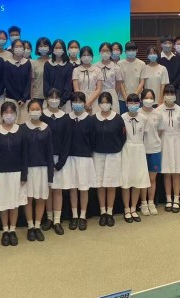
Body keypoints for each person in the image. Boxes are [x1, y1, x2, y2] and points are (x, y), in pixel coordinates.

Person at [0, 101, 26, 246]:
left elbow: (25, 154)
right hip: (0, 173)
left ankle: (13, 230)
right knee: (3, 203)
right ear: (1, 114)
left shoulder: (21, 130)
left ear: (16, 114)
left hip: (17, 173)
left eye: (12, 112)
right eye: (6, 112)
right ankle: (5, 230)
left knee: (14, 203)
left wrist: (24, 174)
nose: (9, 115)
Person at [22, 100, 53, 240]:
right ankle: (30, 226)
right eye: (32, 109)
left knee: (41, 198)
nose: (35, 112)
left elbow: (50, 152)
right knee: (28, 198)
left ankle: (37, 226)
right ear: (28, 111)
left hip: (43, 169)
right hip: (28, 169)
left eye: (37, 109)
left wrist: (50, 175)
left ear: (41, 111)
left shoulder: (47, 128)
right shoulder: (22, 128)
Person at [42, 89, 72, 235]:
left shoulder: (65, 118)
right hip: (44, 159)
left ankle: (57, 220)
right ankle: (49, 218)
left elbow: (67, 141)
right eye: (51, 97)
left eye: (56, 97)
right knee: (48, 190)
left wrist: (61, 161)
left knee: (58, 190)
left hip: (60, 159)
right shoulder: (42, 115)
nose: (54, 99)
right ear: (47, 99)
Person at [92, 91, 123, 227]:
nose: (104, 104)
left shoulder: (118, 118)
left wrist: (116, 147)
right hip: (98, 155)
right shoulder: (94, 119)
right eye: (102, 102)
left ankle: (109, 212)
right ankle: (102, 211)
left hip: (113, 155)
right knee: (100, 184)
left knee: (111, 184)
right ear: (99, 104)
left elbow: (123, 136)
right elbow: (91, 137)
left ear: (111, 103)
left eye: (107, 102)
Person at [65, 92, 96, 230]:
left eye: (80, 101)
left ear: (84, 103)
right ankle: (74, 215)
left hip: (84, 158)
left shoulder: (90, 120)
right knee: (73, 187)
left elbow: (93, 140)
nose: (77, 104)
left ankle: (83, 216)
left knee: (83, 188)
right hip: (70, 158)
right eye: (75, 101)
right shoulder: (67, 118)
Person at [119, 94, 149, 223]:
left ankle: (133, 208)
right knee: (126, 181)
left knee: (137, 181)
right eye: (130, 103)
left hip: (139, 150)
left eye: (135, 102)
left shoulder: (143, 118)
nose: (133, 105)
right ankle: (126, 209)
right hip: (126, 150)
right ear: (126, 104)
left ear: (139, 103)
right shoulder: (122, 118)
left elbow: (145, 136)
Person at [159, 84, 180, 212]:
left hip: (177, 141)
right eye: (167, 93)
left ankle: (176, 199)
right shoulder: (158, 110)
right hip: (164, 140)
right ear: (163, 95)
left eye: (171, 93)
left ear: (175, 95)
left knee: (176, 172)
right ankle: (168, 199)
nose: (169, 96)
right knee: (167, 172)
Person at [138, 89, 162, 216]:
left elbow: (160, 131)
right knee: (143, 178)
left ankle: (151, 202)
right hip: (141, 150)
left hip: (155, 149)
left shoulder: (157, 113)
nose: (149, 100)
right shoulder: (137, 113)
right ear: (141, 99)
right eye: (146, 98)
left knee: (152, 178)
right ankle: (143, 203)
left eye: (151, 98)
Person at [2, 39, 32, 121]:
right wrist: (17, 98)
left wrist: (24, 98)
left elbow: (28, 82)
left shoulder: (27, 63)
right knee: (11, 122)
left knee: (25, 123)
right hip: (11, 99)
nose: (18, 48)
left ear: (23, 49)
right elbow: (7, 82)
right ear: (12, 48)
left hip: (25, 100)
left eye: (20, 46)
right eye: (16, 46)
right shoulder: (7, 63)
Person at [44, 39, 73, 112]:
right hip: (50, 101)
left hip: (64, 102)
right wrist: (50, 98)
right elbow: (46, 83)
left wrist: (62, 101)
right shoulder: (47, 64)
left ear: (64, 49)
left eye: (60, 48)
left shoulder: (69, 65)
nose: (58, 49)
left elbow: (68, 85)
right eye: (56, 48)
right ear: (52, 49)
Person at [116, 42, 145, 114]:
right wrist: (126, 98)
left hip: (137, 99)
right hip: (123, 99)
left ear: (137, 50)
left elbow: (142, 81)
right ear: (125, 51)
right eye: (129, 50)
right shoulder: (119, 64)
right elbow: (120, 82)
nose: (131, 52)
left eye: (133, 50)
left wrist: (134, 97)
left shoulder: (141, 63)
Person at [96, 43, 120, 114]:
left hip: (112, 94)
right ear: (99, 52)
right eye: (103, 51)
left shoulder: (116, 67)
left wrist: (113, 92)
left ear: (111, 52)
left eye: (107, 50)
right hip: (98, 94)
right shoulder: (95, 66)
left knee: (113, 115)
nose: (105, 53)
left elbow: (118, 84)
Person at [158, 36, 180, 103]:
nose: (168, 45)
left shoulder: (177, 57)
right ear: (161, 44)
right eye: (165, 43)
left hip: (175, 89)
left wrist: (173, 86)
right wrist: (165, 87)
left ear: (172, 45)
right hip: (161, 89)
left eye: (169, 43)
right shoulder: (158, 58)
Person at [31, 37, 51, 104]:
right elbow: (32, 81)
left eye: (45, 46)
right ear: (37, 48)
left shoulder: (53, 62)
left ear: (49, 47)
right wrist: (31, 97)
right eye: (41, 46)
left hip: (52, 96)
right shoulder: (34, 63)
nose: (43, 48)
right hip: (37, 96)